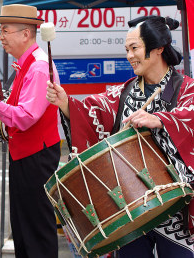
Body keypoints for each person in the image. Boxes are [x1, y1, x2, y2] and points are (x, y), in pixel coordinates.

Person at [46, 15, 194, 257]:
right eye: (127, 49)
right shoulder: (124, 92)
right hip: (129, 206)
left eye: (135, 48)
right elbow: (92, 110)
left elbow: (191, 114)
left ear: (158, 48)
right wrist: (66, 104)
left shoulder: (186, 89)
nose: (129, 56)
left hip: (174, 210)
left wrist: (162, 119)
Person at [0, 4, 61, 258]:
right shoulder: (27, 64)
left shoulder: (39, 66)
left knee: (35, 227)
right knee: (22, 225)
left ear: (25, 34)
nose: (1, 37)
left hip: (36, 157)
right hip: (26, 155)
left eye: (5, 31)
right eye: (1, 31)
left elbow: (26, 117)